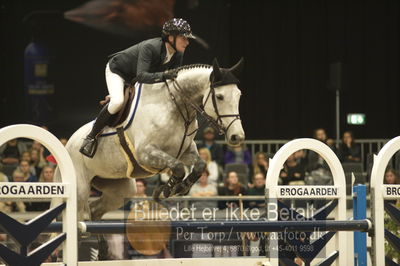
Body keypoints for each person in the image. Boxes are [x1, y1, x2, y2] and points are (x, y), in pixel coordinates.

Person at [80, 18, 195, 158]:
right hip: (118, 71)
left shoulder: (178, 54)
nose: (187, 42)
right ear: (171, 37)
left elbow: (171, 80)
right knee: (117, 102)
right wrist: (165, 75)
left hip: (135, 77)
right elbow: (142, 76)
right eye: (184, 38)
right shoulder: (150, 47)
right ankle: (91, 137)